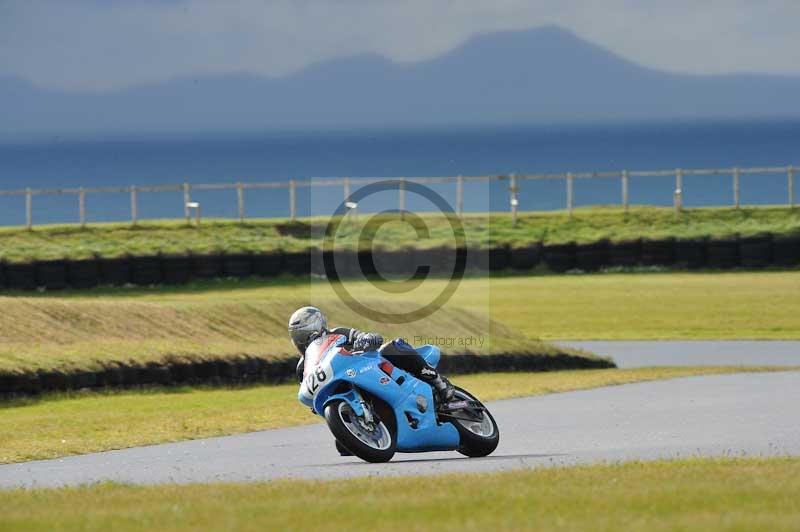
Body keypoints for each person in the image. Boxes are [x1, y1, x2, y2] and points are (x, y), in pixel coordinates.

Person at [288, 306, 455, 403]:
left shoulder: (338, 333)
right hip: (346, 391)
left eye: (305, 335)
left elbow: (363, 336)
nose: (302, 341)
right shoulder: (302, 368)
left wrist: (367, 340)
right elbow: (313, 400)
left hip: (370, 367)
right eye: (298, 337)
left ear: (318, 327)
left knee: (391, 348)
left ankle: (438, 381)